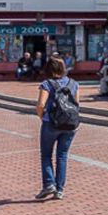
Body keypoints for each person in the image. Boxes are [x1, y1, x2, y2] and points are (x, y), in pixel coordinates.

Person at [35, 57, 80, 200]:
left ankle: (49, 184)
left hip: (51, 123)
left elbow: (41, 105)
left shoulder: (47, 84)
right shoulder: (73, 84)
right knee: (62, 156)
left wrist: (43, 117)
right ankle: (59, 190)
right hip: (70, 124)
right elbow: (76, 104)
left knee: (46, 155)